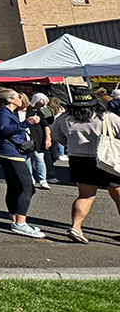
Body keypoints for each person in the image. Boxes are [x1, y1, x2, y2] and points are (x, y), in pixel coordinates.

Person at [53, 87, 120, 243]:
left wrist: (72, 144)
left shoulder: (64, 118)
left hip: (79, 160)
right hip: (107, 159)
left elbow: (57, 135)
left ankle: (76, 227)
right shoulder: (107, 117)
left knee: (86, 195)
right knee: (118, 196)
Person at [0, 88, 44, 238]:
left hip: (10, 152)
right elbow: (3, 129)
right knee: (27, 187)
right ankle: (20, 223)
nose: (21, 99)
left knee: (15, 186)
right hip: (10, 153)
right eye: (18, 96)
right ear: (10, 99)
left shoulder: (8, 112)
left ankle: (15, 219)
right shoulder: (2, 112)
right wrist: (26, 123)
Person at [27, 93, 54, 189]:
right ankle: (31, 179)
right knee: (28, 159)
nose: (44, 105)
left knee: (39, 159)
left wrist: (48, 138)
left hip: (38, 138)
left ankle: (42, 180)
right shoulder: (28, 110)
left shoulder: (38, 111)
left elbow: (45, 125)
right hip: (27, 138)